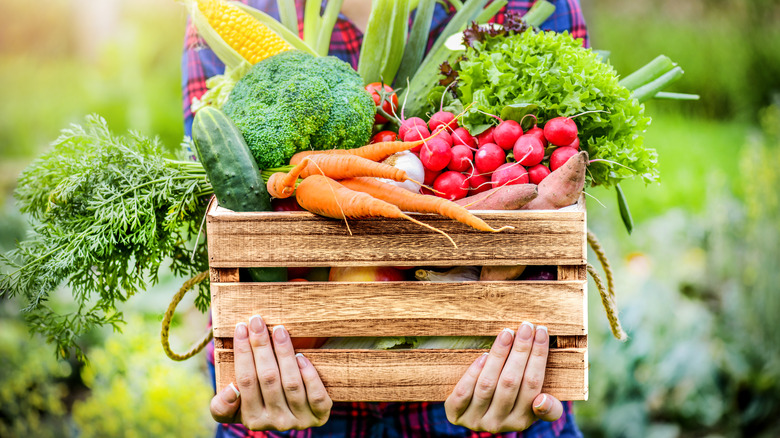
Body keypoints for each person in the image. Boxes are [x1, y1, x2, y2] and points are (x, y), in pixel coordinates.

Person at [182, 1, 589, 436]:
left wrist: (517, 348)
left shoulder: (528, 6)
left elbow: (558, 225)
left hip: (486, 395)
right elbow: (224, 197)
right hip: (285, 384)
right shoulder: (230, 9)